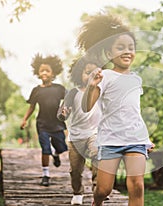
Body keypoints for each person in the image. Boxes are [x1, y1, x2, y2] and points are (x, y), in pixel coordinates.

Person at [78, 14, 155, 206]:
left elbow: (133, 111)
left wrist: (145, 138)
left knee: (137, 185)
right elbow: (86, 107)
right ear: (108, 51)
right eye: (120, 48)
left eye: (131, 47)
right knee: (103, 190)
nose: (127, 51)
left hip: (135, 141)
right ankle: (96, 203)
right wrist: (91, 86)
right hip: (111, 140)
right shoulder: (105, 76)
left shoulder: (136, 79)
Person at [57, 56, 104, 205]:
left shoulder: (100, 91)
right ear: (79, 74)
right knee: (75, 170)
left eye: (93, 72)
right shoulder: (73, 92)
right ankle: (77, 192)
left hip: (94, 133)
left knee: (98, 155)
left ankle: (98, 188)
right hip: (76, 137)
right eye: (87, 72)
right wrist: (63, 113)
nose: (90, 76)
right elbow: (62, 113)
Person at [20, 53, 68, 187]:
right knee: (45, 149)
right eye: (42, 70)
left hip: (57, 124)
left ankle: (56, 153)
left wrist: (65, 109)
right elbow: (31, 107)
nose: (45, 73)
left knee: (62, 147)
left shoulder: (59, 89)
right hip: (42, 124)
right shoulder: (36, 91)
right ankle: (46, 175)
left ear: (53, 73)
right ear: (38, 73)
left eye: (47, 70)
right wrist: (24, 120)